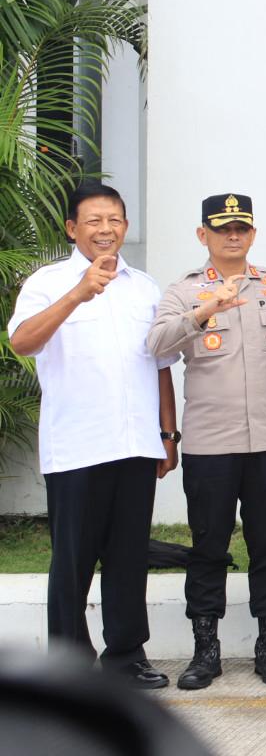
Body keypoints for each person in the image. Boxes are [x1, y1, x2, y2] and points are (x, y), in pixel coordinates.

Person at [6, 183, 178, 688]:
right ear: (72, 229)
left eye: (115, 220)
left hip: (135, 444)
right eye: (94, 221)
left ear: (126, 226)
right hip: (77, 447)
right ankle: (68, 669)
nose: (106, 230)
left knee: (128, 558)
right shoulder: (46, 282)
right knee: (72, 563)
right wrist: (78, 293)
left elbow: (161, 365)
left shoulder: (145, 287)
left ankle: (126, 657)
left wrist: (168, 433)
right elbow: (22, 341)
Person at [147, 195, 266, 690]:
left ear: (253, 233)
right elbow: (156, 346)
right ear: (204, 236)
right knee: (207, 548)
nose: (232, 236)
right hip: (209, 445)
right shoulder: (183, 291)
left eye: (241, 227)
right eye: (222, 229)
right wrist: (204, 313)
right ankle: (205, 650)